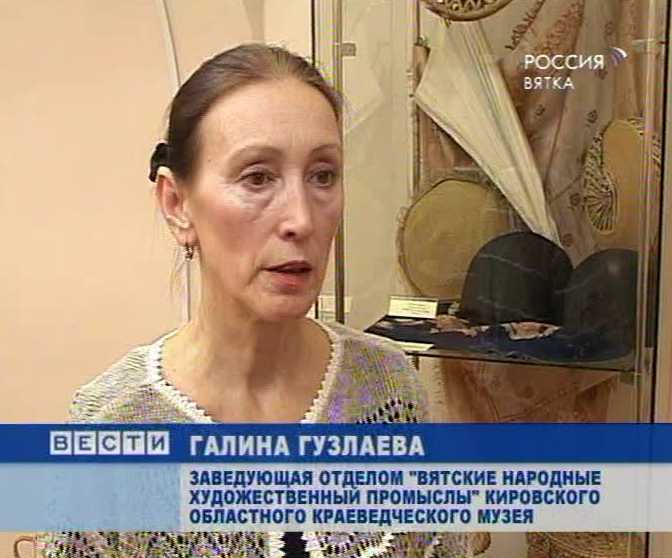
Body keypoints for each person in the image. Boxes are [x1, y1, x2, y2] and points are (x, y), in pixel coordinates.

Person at [34, 43, 488, 558]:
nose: (302, 219)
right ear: (177, 203)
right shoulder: (113, 425)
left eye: (323, 175)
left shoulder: (388, 390)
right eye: (257, 177)